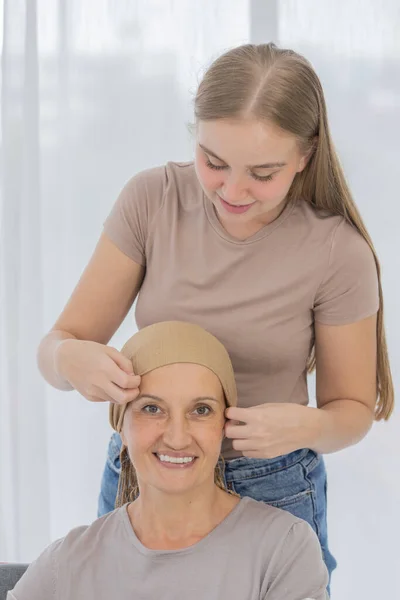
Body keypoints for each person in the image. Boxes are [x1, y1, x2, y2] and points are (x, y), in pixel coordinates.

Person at [37, 42, 394, 593]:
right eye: (214, 162)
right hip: (145, 474)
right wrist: (68, 358)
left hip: (270, 481)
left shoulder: (337, 254)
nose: (232, 190)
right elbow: (57, 346)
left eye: (263, 172)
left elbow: (352, 410)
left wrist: (309, 427)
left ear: (306, 154)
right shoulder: (152, 200)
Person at [12, 322, 329, 600]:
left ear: (223, 425)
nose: (177, 438)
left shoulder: (283, 550)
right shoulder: (67, 563)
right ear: (121, 427)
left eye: (201, 410)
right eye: (152, 409)